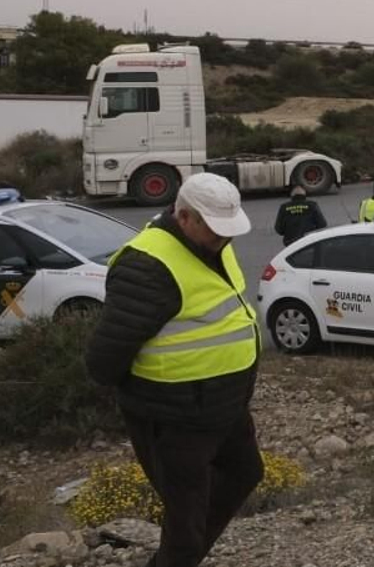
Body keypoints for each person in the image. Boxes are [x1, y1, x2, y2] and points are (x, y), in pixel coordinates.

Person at [85, 173, 263, 567]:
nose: (225, 239)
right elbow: (103, 361)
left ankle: (182, 550)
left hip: (225, 408)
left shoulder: (213, 244)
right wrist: (155, 398)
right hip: (174, 419)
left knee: (245, 472)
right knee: (185, 532)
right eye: (216, 231)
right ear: (184, 217)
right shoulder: (146, 266)